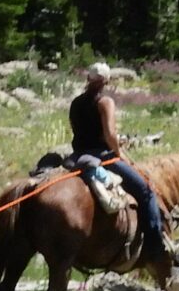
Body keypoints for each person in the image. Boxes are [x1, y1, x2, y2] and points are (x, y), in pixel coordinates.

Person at [67, 62, 165, 268]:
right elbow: (109, 135)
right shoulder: (105, 102)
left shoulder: (76, 103)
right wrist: (119, 154)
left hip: (77, 156)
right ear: (106, 81)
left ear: (88, 79)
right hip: (103, 157)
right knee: (146, 191)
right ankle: (156, 246)